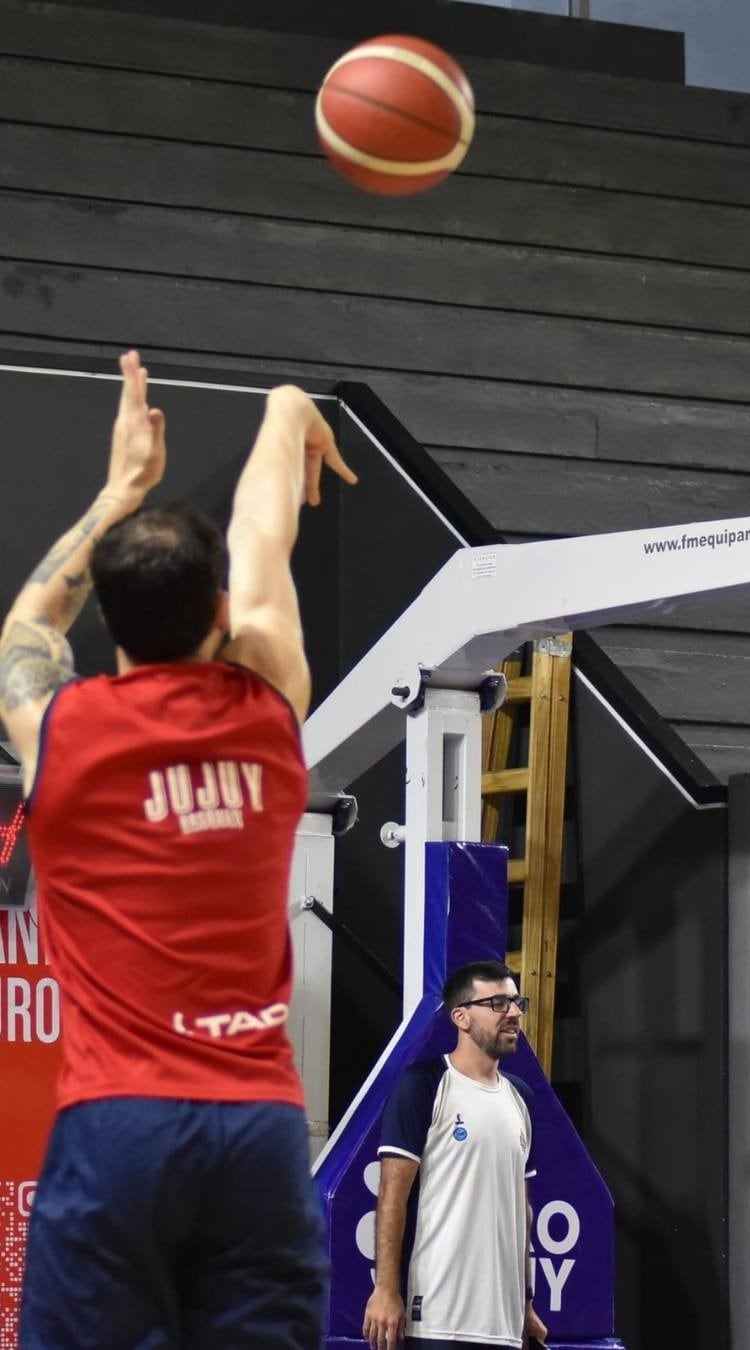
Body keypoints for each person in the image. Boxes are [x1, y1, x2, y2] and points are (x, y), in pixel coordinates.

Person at [0, 350, 357, 1348]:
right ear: (219, 612)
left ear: (110, 619)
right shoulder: (267, 699)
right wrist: (286, 409)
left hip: (120, 1127)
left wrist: (122, 487)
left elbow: (31, 620)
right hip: (258, 1132)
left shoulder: (60, 728)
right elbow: (262, 532)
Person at [362, 960, 549, 1350]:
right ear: (460, 1017)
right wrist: (386, 1289)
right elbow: (392, 1196)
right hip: (437, 1318)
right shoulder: (425, 1084)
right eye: (498, 1003)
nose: (514, 1013)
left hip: (504, 1324)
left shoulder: (521, 1098)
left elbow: (523, 1211)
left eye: (517, 1002)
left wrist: (526, 1305)